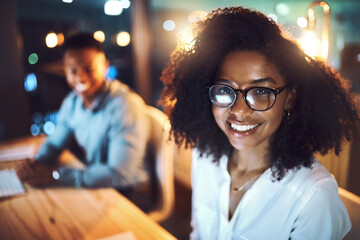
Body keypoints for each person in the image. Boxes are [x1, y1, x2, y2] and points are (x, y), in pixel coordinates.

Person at [160, 6, 360, 240]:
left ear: (290, 98)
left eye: (260, 91)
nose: (238, 110)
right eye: (225, 90)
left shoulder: (314, 195)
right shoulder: (204, 156)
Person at [23, 32, 150, 190]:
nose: (81, 78)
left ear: (105, 67)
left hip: (130, 193)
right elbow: (54, 144)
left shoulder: (124, 106)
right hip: (100, 185)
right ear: (65, 70)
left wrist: (56, 175)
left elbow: (119, 174)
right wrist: (37, 164)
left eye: (89, 69)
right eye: (73, 70)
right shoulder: (72, 102)